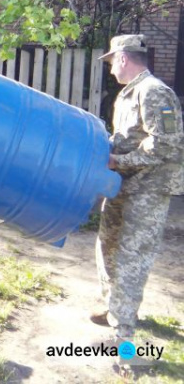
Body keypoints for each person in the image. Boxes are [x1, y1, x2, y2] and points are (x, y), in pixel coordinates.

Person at [92, 34, 184, 340]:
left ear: (122, 57)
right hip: (123, 185)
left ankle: (124, 337)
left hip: (148, 189)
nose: (110, 70)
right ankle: (114, 308)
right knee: (108, 245)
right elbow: (130, 136)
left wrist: (119, 161)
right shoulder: (130, 93)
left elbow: (167, 144)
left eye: (111, 62)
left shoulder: (155, 92)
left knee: (132, 255)